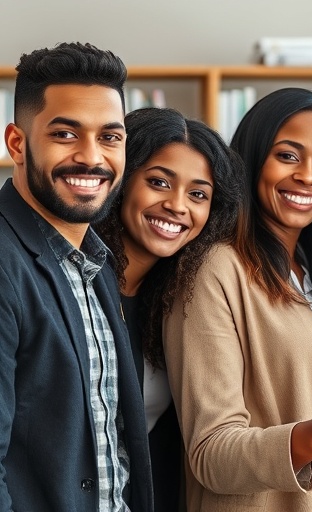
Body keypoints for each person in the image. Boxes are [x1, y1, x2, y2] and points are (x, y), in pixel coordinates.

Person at [164, 88, 312, 512]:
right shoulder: (216, 268)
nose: (309, 176)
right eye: (288, 155)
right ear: (252, 158)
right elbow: (210, 453)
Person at [0, 42, 152, 511]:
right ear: (17, 143)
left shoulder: (97, 262)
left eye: (110, 137)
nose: (92, 158)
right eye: (66, 134)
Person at [94, 107, 243, 510]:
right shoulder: (73, 285)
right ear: (121, 180)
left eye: (198, 194)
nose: (178, 206)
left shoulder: (180, 301)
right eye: (159, 182)